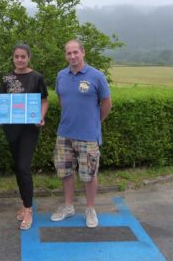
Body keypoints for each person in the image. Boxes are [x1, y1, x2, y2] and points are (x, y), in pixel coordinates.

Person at [50, 39, 112, 228]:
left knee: (89, 175)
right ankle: (68, 207)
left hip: (88, 136)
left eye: (76, 52)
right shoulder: (61, 75)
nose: (72, 56)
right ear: (65, 55)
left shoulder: (96, 76)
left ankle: (90, 209)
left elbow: (107, 103)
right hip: (64, 134)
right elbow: (62, 99)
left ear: (83, 52)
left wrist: (94, 122)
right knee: (66, 173)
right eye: (69, 53)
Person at [0, 43, 48, 230]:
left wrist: (41, 116)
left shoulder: (37, 77)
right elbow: (3, 103)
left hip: (29, 129)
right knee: (17, 168)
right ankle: (24, 202)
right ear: (13, 58)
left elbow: (44, 101)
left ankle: (28, 209)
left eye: (23, 57)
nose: (19, 60)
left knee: (24, 167)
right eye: (16, 56)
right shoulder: (6, 78)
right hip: (11, 129)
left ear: (29, 58)